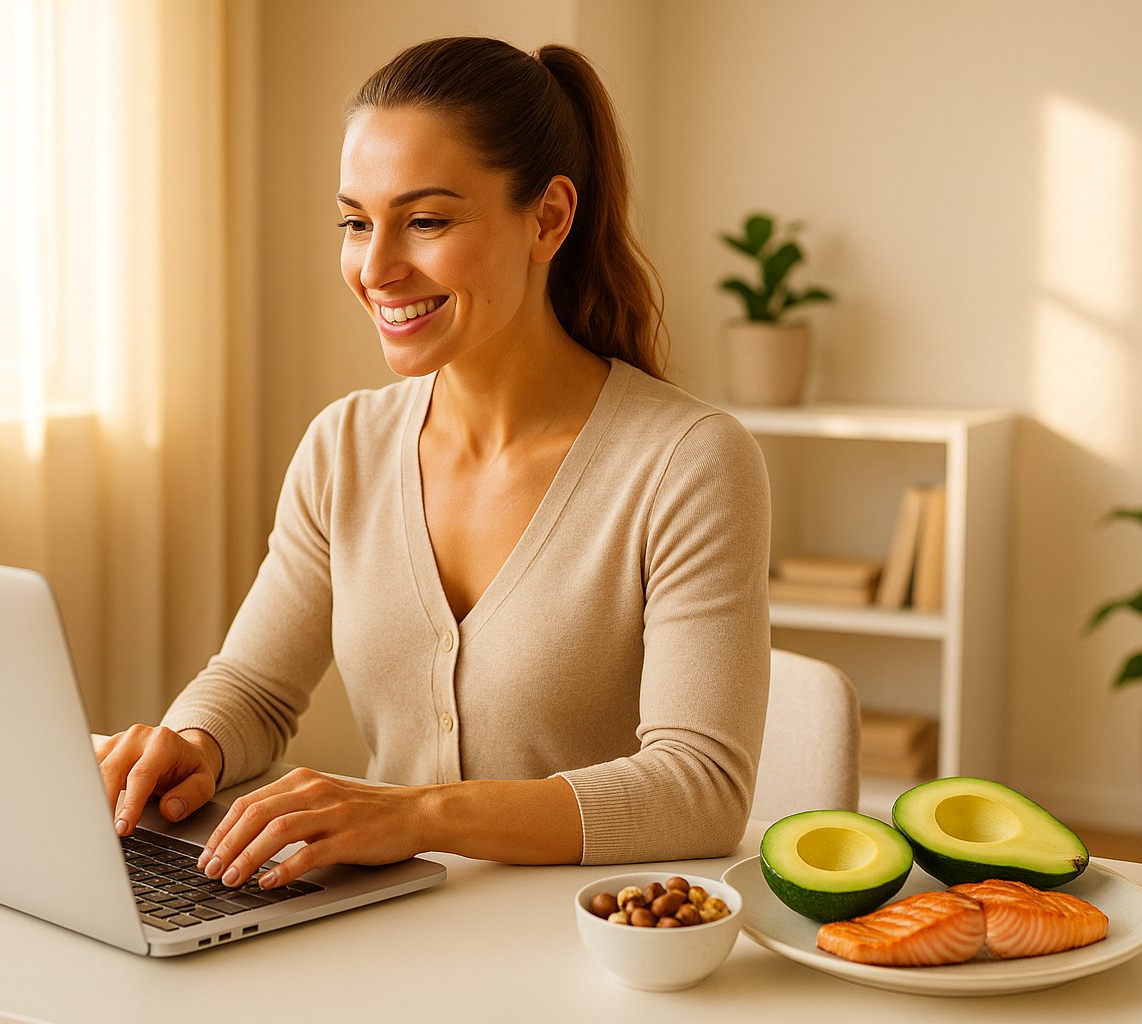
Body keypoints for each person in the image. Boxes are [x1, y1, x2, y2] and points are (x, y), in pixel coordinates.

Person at [95, 36, 770, 891]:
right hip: (386, 935)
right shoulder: (345, 447)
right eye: (354, 221)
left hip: (589, 955)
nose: (375, 269)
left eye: (426, 221)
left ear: (549, 219)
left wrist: (413, 814)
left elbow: (700, 789)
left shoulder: (688, 463)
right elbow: (255, 690)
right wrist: (189, 744)